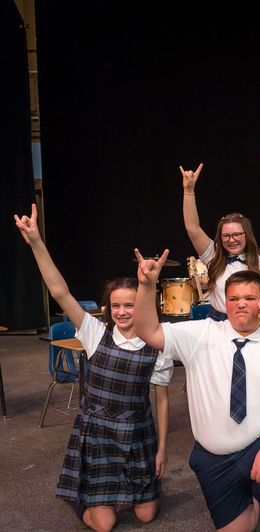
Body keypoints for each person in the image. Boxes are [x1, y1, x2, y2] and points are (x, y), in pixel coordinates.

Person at [15, 204, 172, 532]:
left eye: (130, 305)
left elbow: (161, 400)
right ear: (108, 307)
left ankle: (122, 488)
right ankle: (86, 492)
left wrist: (161, 451)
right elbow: (60, 292)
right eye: (116, 305)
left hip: (138, 432)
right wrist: (36, 243)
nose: (123, 311)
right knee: (103, 525)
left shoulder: (157, 345)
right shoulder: (95, 333)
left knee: (146, 515)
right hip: (98, 433)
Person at [134, 255, 260, 532]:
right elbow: (148, 331)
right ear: (224, 302)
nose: (241, 303)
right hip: (215, 457)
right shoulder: (201, 334)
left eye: (250, 298)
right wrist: (146, 286)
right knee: (242, 526)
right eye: (234, 298)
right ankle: (251, 492)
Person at [181, 163, 260, 320]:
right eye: (226, 236)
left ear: (247, 235)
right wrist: (188, 192)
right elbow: (193, 228)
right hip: (218, 326)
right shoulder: (214, 256)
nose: (232, 240)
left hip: (252, 325)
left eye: (237, 234)